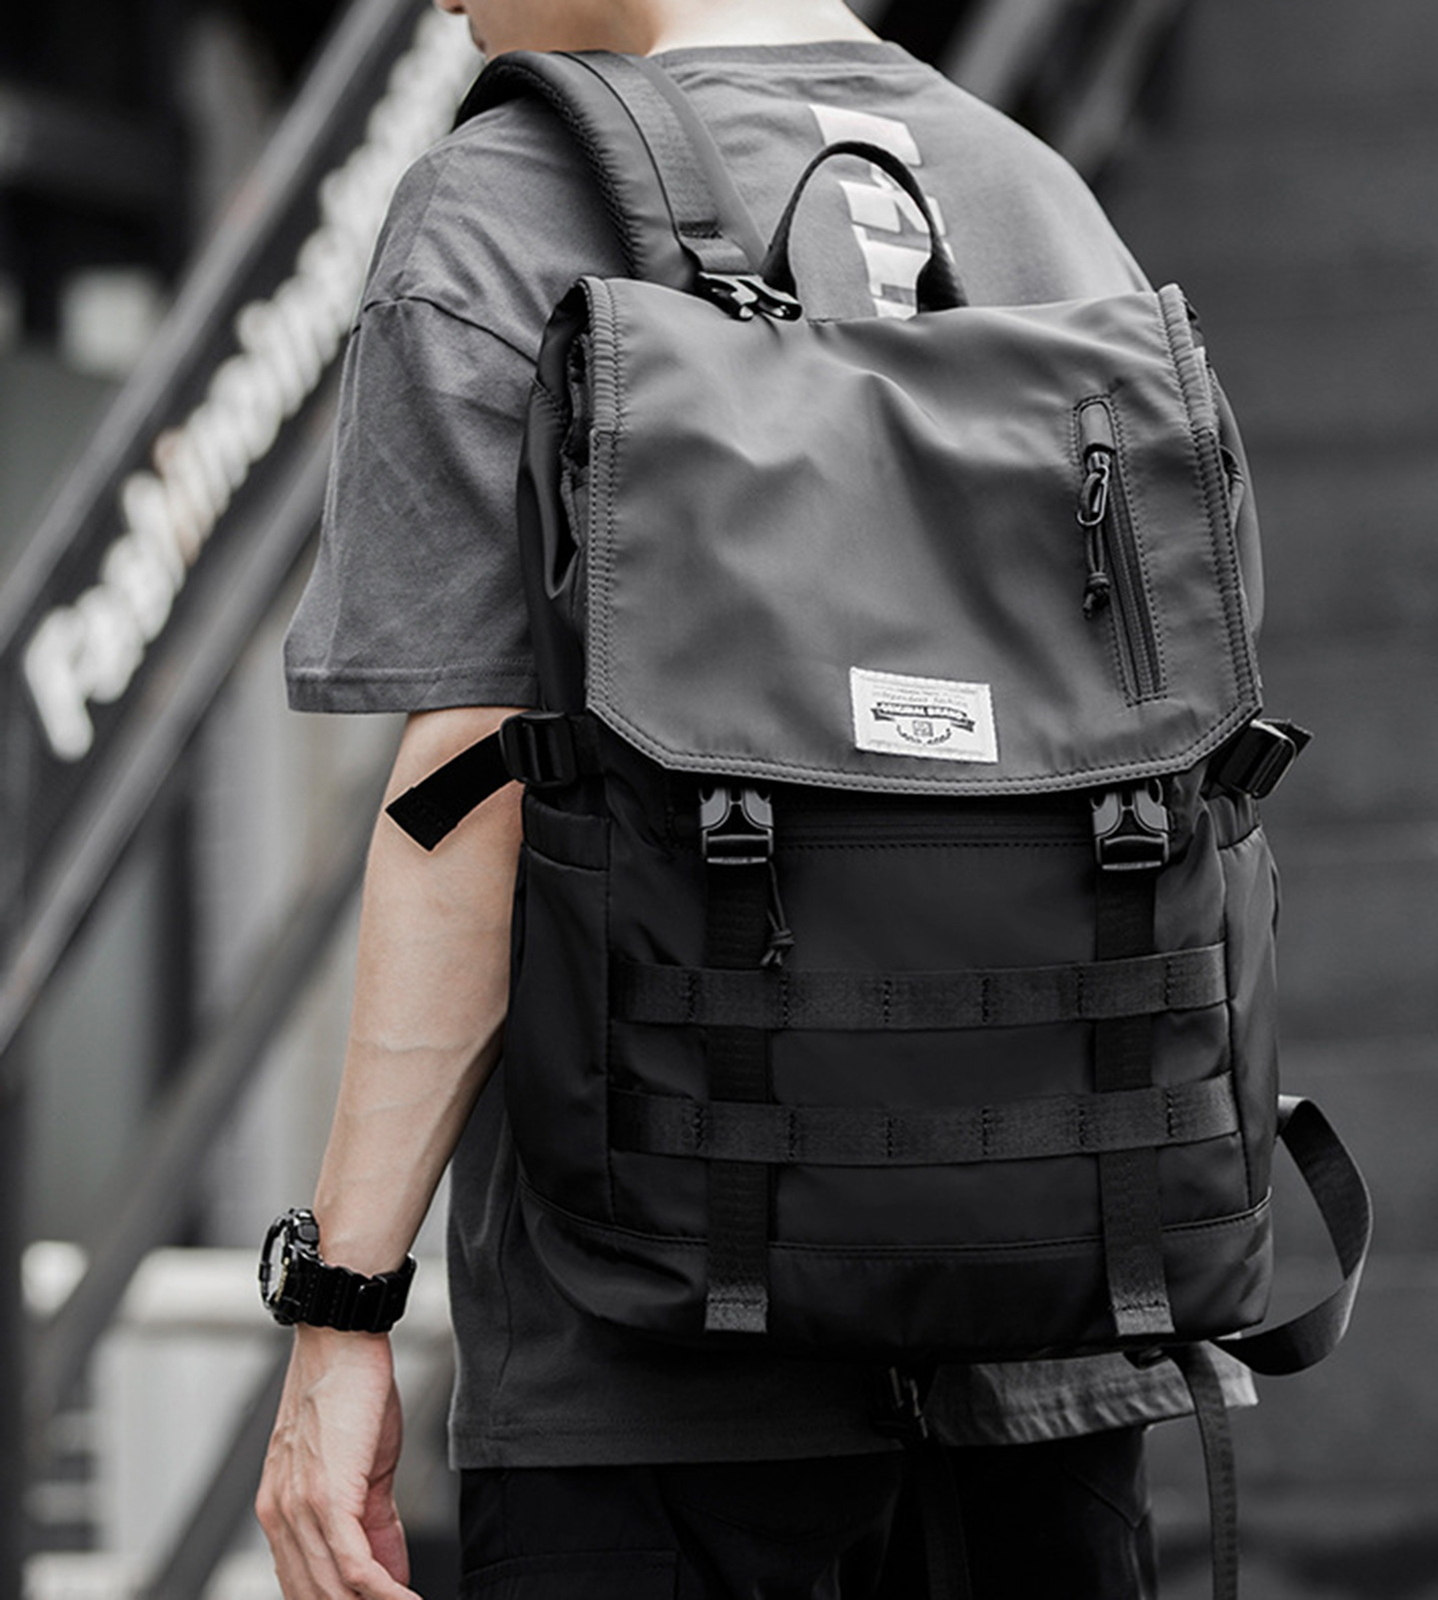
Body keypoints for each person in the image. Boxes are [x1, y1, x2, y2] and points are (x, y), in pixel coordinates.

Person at [255, 2, 1253, 1595]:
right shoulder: (1044, 201)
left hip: (651, 1374)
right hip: (1061, 1339)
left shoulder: (506, 201)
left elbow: (472, 792)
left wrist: (342, 1307)